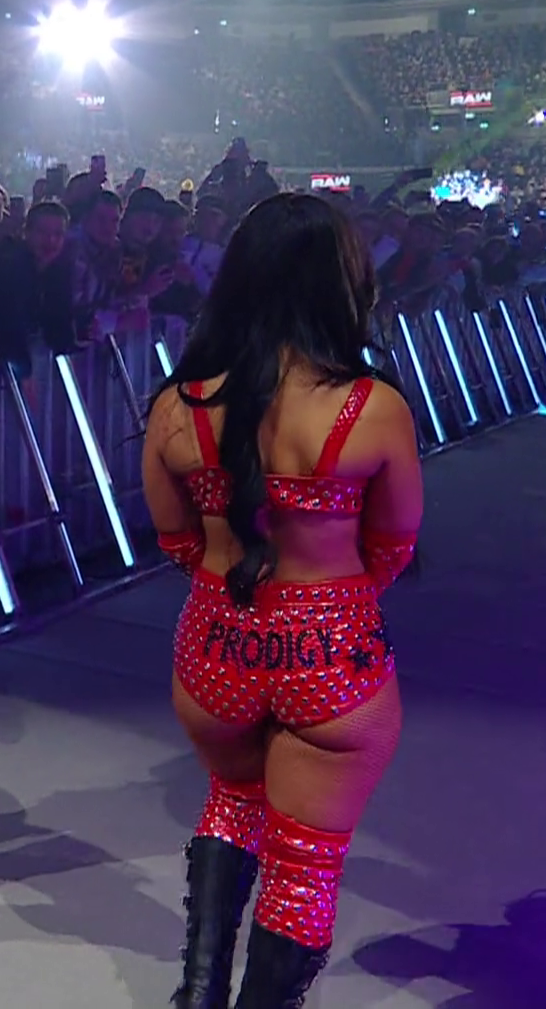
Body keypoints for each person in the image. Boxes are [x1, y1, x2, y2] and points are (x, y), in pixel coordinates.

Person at [142, 193, 422, 1008]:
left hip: (216, 647)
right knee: (304, 868)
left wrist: (238, 595)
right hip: (332, 657)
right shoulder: (373, 408)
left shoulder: (178, 405)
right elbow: (393, 545)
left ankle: (199, 994)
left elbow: (176, 540)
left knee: (232, 802)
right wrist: (322, 609)